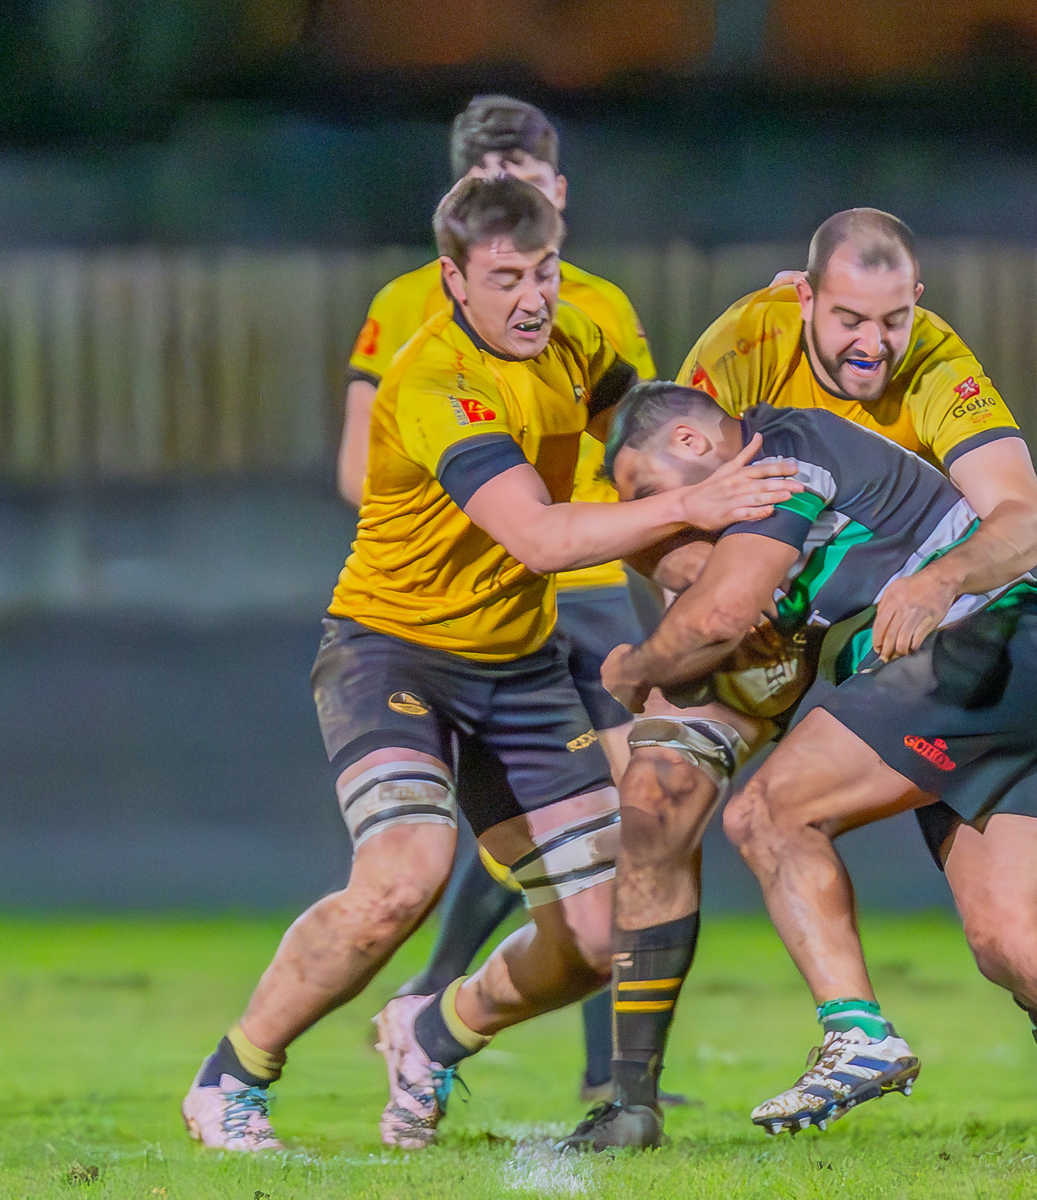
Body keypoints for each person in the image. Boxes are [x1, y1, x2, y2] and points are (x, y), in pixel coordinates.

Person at [561, 209, 1037, 1156]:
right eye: (850, 320)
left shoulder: (779, 444)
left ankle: (854, 1037)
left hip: (971, 637)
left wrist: (640, 667)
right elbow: (697, 570)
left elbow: (722, 608)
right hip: (1034, 653)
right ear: (803, 298)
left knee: (765, 815)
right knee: (1008, 938)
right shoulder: (740, 348)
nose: (875, 342)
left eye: (892, 320)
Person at [180, 176, 800, 1152]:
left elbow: (661, 443)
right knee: (401, 878)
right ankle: (234, 1076)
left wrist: (777, 321)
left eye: (545, 272)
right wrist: (699, 509)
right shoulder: (433, 380)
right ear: (453, 280)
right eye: (505, 277)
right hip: (394, 654)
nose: (530, 297)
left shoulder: (578, 345)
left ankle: (430, 1033)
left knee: (604, 935)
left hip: (516, 670)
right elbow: (544, 540)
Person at [338, 94, 666, 1104]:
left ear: (559, 194)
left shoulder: (599, 309)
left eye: (531, 188)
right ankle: (442, 1002)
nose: (516, 208)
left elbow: (652, 451)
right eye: (493, 192)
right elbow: (362, 466)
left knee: (634, 815)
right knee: (531, 820)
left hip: (593, 585)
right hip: (483, 596)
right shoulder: (409, 310)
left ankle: (618, 1082)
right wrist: (493, 508)